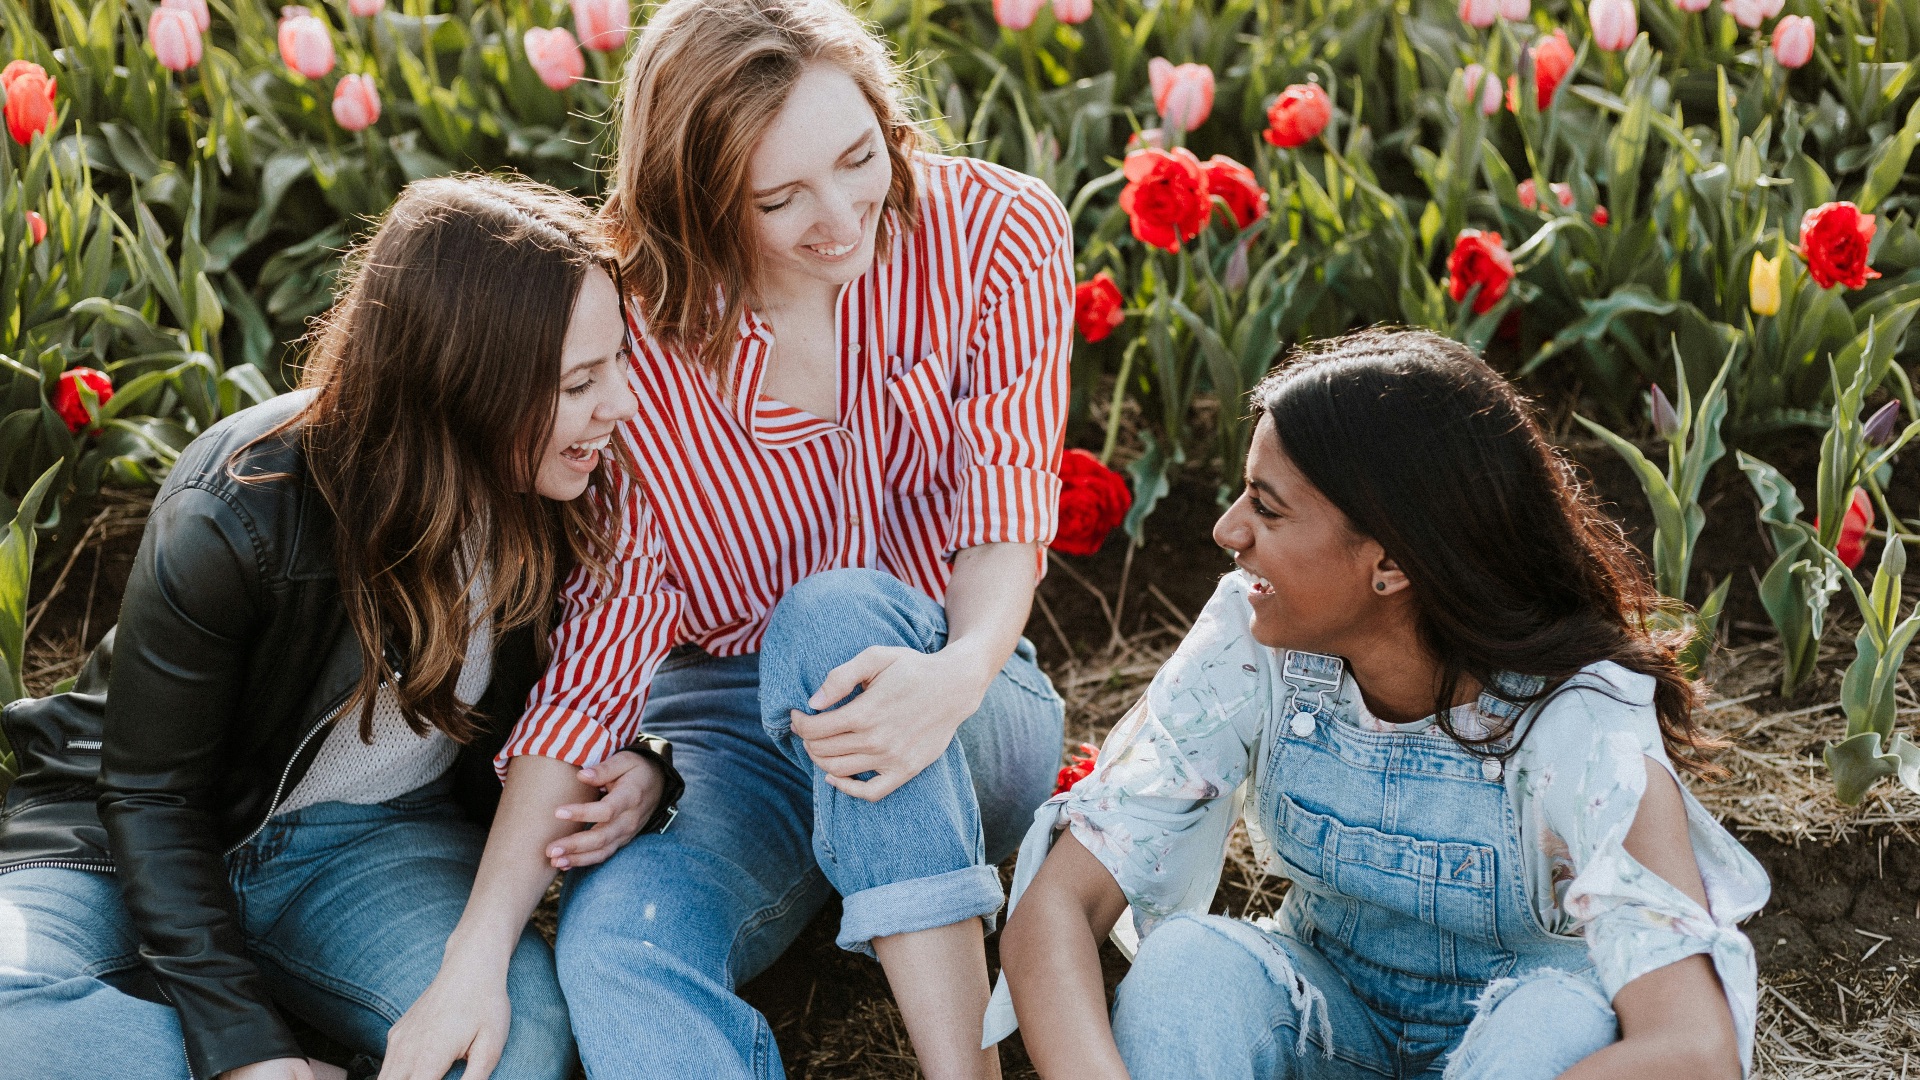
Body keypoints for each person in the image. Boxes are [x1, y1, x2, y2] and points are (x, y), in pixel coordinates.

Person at [476, 0, 1072, 1076]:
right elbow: (601, 658)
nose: (840, 219)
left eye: (856, 161)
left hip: (963, 691)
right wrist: (477, 954)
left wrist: (958, 670)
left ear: (885, 121)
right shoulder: (638, 336)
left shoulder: (996, 233)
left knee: (833, 613)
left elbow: (1007, 509)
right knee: (618, 948)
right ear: (696, 200)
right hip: (736, 735)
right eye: (778, 197)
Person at [0, 174, 678, 1080]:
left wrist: (646, 758)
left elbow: (612, 668)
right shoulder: (239, 509)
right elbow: (151, 797)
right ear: (460, 385)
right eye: (579, 382)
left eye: (618, 362)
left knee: (520, 1048)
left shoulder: (577, 490)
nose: (621, 405)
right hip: (126, 838)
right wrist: (249, 1055)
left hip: (366, 846)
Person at [995, 329, 1771, 1080]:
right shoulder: (1255, 639)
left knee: (1558, 1020)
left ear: (1393, 562)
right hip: (1326, 1024)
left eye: (1267, 508)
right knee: (1190, 966)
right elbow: (1056, 909)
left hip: (1515, 1052)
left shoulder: (1580, 720)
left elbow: (1693, 1050)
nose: (1227, 529)